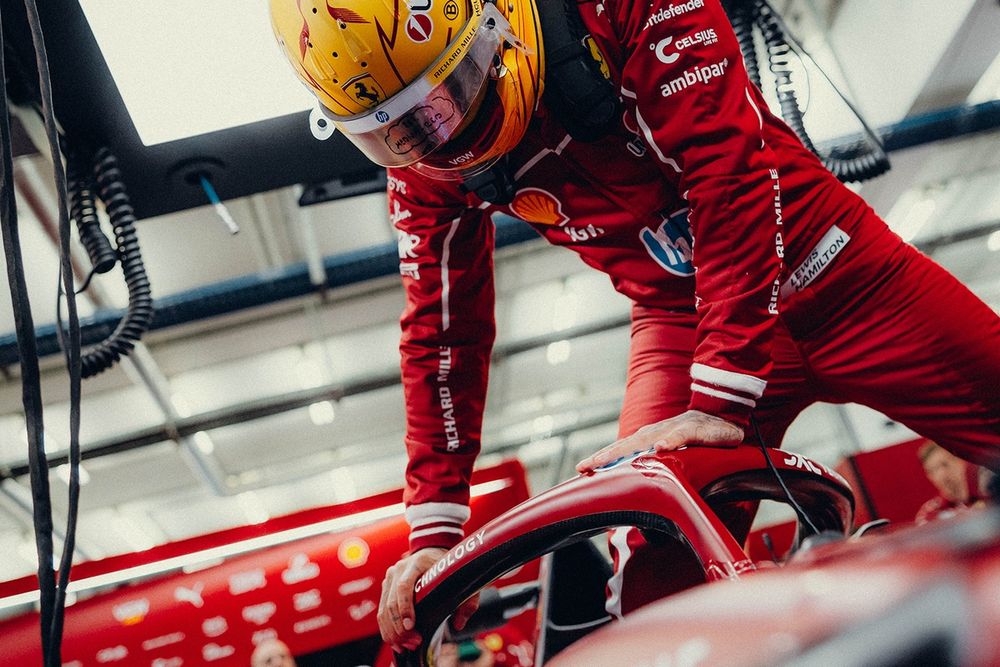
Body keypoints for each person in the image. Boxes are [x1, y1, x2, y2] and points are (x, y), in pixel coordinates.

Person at [269, 0, 1000, 652]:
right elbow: (440, 332)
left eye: (449, 94)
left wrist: (720, 397)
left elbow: (729, 174)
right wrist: (432, 531)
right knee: (652, 586)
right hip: (678, 325)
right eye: (397, 130)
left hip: (833, 266)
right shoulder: (421, 168)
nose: (443, 136)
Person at [915, 441, 985, 524]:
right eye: (932, 470)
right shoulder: (930, 512)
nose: (941, 474)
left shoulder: (990, 491)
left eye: (945, 464)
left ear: (961, 461)